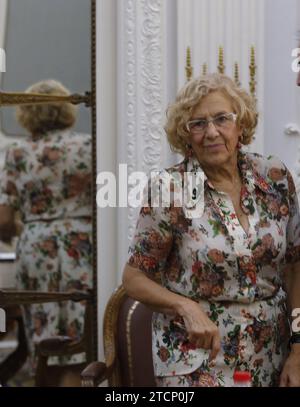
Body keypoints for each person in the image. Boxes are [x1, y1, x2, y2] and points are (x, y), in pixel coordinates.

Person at [122, 73, 300, 387]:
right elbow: (134, 278)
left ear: (241, 124)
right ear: (185, 134)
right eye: (198, 123)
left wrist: (298, 350)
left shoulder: (274, 177)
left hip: (273, 354)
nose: (212, 132)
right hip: (197, 361)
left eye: (222, 119)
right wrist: (184, 306)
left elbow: (296, 268)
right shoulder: (169, 189)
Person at [0, 79, 92, 379]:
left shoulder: (16, 154)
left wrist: (21, 226)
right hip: (81, 243)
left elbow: (3, 218)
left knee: (42, 336)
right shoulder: (87, 146)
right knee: (81, 336)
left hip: (37, 247)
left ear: (27, 113)